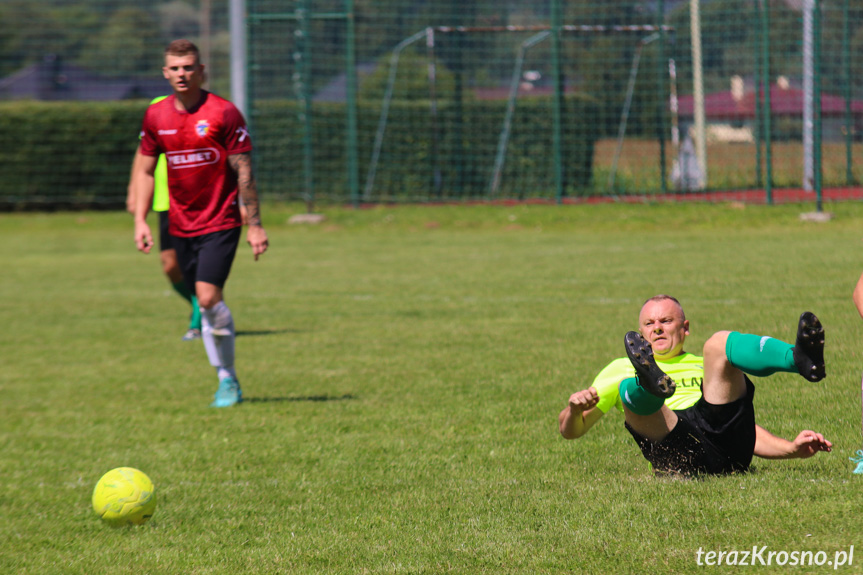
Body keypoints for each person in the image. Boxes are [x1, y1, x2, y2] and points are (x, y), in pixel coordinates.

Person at [133, 39, 269, 408]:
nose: (182, 74)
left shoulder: (224, 113)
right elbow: (145, 170)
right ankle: (224, 371)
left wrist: (254, 223)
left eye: (189, 67)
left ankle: (227, 379)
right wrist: (141, 220)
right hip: (179, 223)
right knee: (204, 299)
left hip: (221, 221)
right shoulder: (156, 116)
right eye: (175, 68)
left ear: (201, 70)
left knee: (207, 297)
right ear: (165, 72)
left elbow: (244, 171)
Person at [558, 295, 832, 476]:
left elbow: (742, 428)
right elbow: (570, 431)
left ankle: (797, 359)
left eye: (666, 321)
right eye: (649, 323)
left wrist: (790, 449)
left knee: (718, 344)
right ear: (641, 333)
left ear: (685, 327)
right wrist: (573, 409)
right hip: (677, 450)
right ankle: (648, 385)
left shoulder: (703, 365)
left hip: (724, 444)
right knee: (627, 386)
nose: (657, 328)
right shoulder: (618, 367)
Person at [127, 95, 202, 342]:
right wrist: (134, 190)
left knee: (197, 263)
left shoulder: (207, 108)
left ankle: (198, 322)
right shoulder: (157, 108)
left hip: (197, 200)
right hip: (165, 199)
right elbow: (143, 151)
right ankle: (198, 303)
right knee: (170, 266)